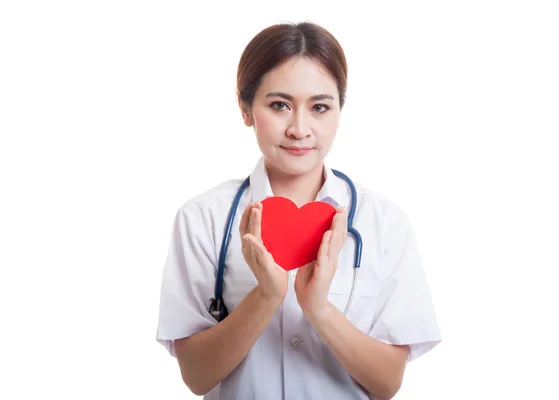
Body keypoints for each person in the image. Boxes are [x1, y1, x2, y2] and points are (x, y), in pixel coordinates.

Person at [155, 21, 441, 399]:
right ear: (245, 109)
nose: (300, 128)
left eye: (320, 107)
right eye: (279, 105)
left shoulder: (384, 223)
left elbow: (388, 383)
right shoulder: (203, 218)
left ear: (340, 110)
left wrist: (318, 309)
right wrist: (266, 296)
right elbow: (196, 376)